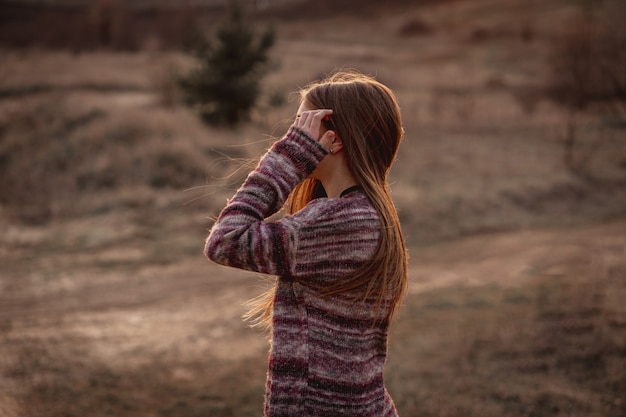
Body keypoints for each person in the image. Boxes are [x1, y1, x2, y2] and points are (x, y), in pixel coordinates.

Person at [204, 70, 408, 417]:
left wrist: (288, 158)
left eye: (302, 127)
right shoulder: (366, 214)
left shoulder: (338, 222)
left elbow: (225, 240)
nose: (292, 137)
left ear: (334, 139)